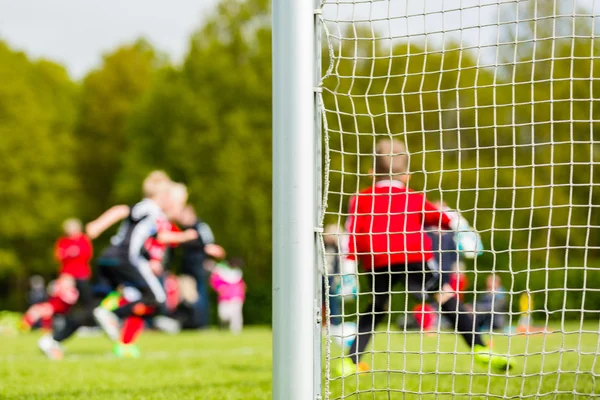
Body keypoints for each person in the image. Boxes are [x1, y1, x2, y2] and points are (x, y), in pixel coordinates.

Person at [337, 138, 513, 376]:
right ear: (407, 175)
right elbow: (441, 218)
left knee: (376, 308)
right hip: (413, 255)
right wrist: (463, 229)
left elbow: (352, 233)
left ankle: (351, 361)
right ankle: (481, 349)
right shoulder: (413, 197)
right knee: (446, 298)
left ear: (371, 174)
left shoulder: (359, 199)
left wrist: (348, 270)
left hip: (377, 259)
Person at [37, 218, 94, 357]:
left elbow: (85, 255)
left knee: (88, 309)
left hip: (81, 277)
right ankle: (54, 338)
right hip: (66, 278)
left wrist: (72, 253)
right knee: (61, 307)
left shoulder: (83, 240)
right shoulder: (63, 241)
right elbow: (59, 256)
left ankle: (57, 338)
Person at [178, 205, 224, 328]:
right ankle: (191, 323)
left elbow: (209, 245)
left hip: (198, 266)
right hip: (188, 267)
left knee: (200, 294)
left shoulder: (200, 226)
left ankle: (201, 323)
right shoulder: (184, 229)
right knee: (188, 296)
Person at [209, 257, 246, 334]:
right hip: (224, 298)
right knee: (223, 315)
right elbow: (215, 281)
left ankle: (236, 330)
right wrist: (219, 288)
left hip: (236, 297)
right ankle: (224, 327)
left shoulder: (237, 274)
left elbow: (241, 284)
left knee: (236, 314)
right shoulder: (221, 273)